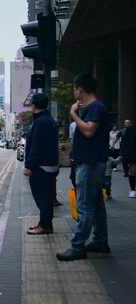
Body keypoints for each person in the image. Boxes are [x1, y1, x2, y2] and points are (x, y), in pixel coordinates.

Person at [57, 73, 110, 261]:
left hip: (90, 163)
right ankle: (100, 241)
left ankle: (78, 246)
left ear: (80, 89)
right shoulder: (92, 107)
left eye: (74, 88)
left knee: (85, 206)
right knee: (96, 204)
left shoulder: (95, 107)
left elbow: (88, 130)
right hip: (89, 162)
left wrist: (73, 114)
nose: (74, 92)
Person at [24, 94, 59, 235]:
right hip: (48, 164)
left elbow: (36, 146)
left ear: (34, 105)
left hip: (41, 166)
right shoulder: (48, 120)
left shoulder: (41, 122)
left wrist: (29, 166)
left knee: (42, 197)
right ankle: (44, 224)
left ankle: (45, 226)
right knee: (46, 197)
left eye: (31, 103)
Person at [123, 122, 136, 198]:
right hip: (132, 155)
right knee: (132, 171)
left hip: (131, 155)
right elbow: (125, 144)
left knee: (132, 171)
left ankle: (133, 190)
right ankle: (132, 189)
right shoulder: (130, 131)